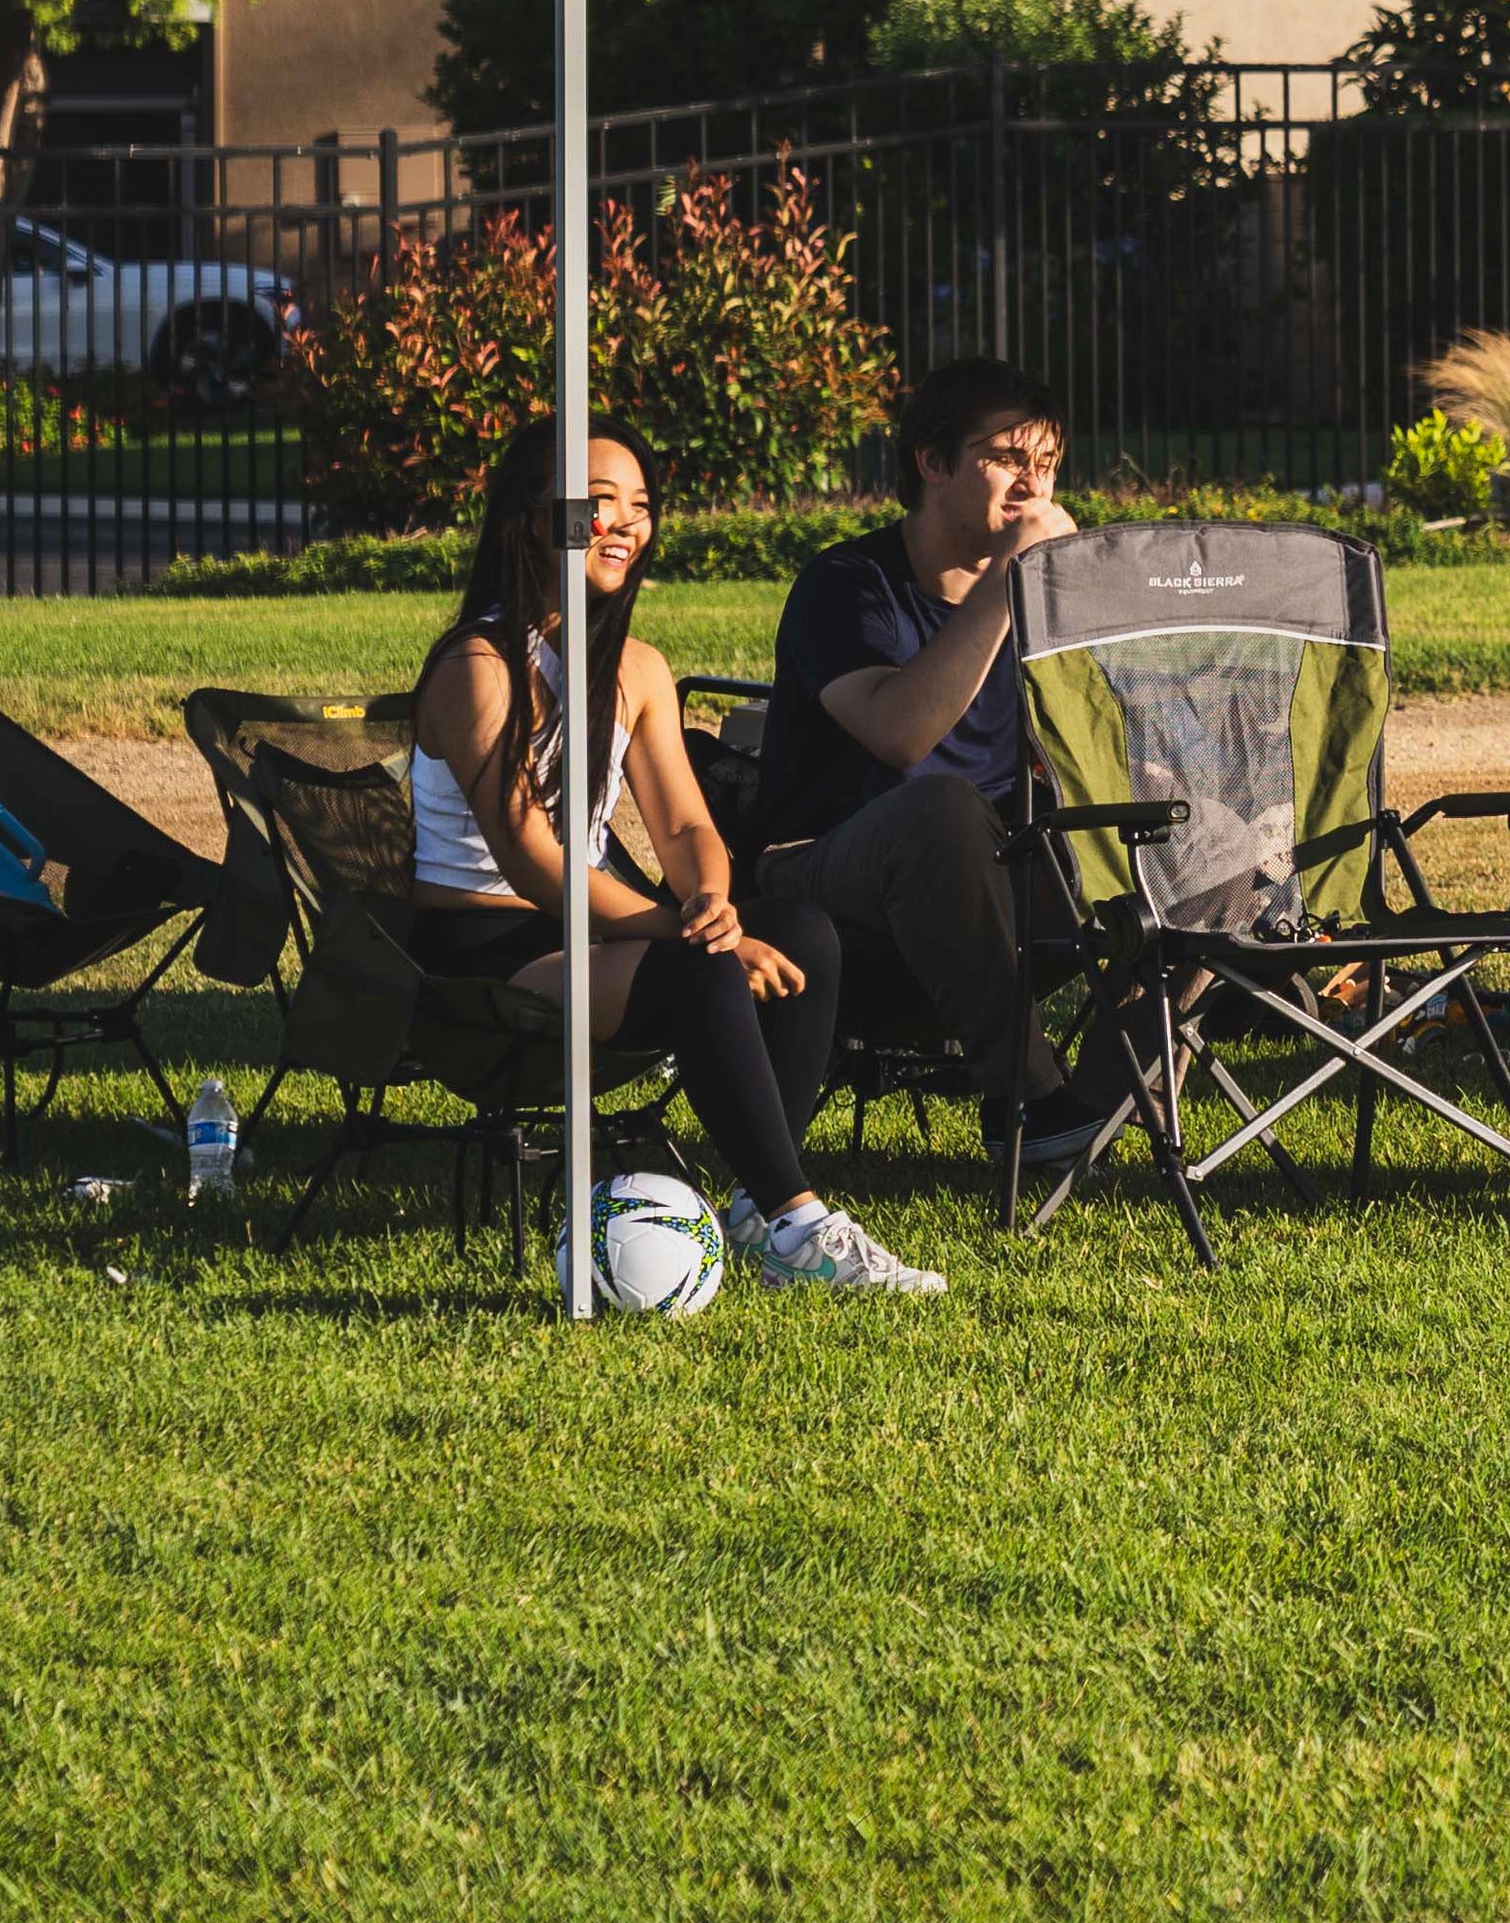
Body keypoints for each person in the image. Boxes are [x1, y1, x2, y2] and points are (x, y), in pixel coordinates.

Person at [406, 419, 942, 1295]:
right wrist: (696, 938)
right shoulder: (480, 666)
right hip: (489, 949)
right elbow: (533, 859)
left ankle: (756, 1208)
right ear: (527, 517)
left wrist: (709, 902)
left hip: (594, 932)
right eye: (597, 503)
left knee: (801, 929)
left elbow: (690, 828)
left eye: (641, 508)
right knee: (703, 972)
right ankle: (800, 1226)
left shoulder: (638, 669)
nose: (622, 524)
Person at [751, 358, 1138, 1177]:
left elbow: (1109, 740)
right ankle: (1030, 1098)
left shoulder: (1037, 597)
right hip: (823, 865)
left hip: (995, 865)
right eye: (1007, 459)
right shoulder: (847, 586)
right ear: (932, 462)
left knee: (1193, 837)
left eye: (1047, 467)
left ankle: (1089, 1105)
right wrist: (1009, 577)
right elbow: (901, 736)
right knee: (942, 808)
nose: (1031, 488)